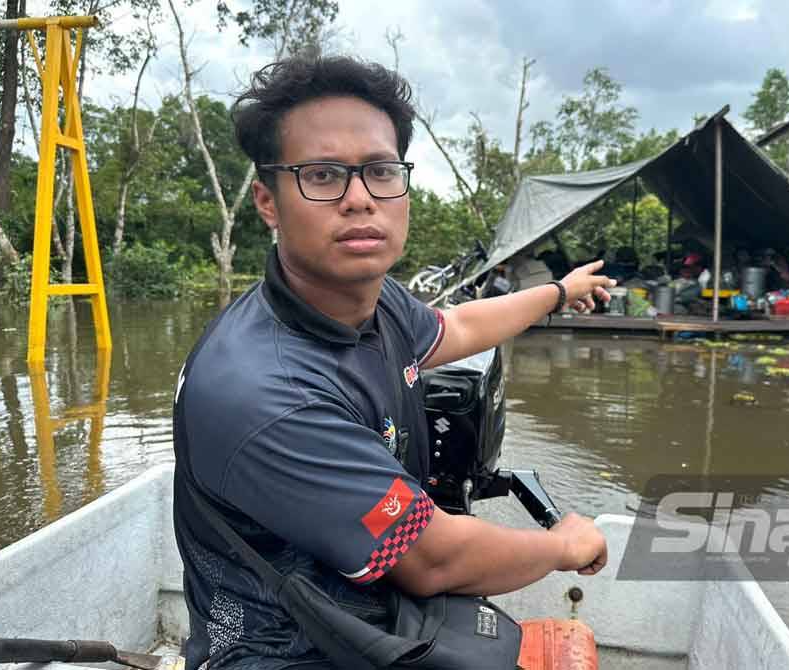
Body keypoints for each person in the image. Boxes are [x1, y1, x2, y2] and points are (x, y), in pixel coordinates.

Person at [172, 54, 613, 670]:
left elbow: (457, 326)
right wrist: (563, 544)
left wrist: (559, 291)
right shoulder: (262, 390)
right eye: (322, 175)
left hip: (366, 606)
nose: (359, 200)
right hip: (288, 649)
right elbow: (434, 558)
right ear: (267, 202)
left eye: (379, 171)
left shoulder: (373, 304)